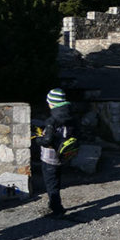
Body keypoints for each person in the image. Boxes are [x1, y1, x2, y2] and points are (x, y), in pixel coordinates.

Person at [34, 88, 79, 216]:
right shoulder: (71, 116)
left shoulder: (52, 120)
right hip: (64, 154)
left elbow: (47, 140)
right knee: (56, 180)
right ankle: (54, 204)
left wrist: (38, 140)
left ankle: (56, 208)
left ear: (51, 104)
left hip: (50, 157)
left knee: (51, 183)